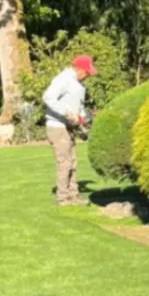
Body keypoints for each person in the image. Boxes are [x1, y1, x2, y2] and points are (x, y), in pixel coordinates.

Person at [43, 54, 98, 206]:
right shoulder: (64, 79)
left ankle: (74, 195)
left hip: (69, 127)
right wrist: (67, 113)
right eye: (87, 73)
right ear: (80, 70)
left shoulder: (79, 86)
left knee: (73, 162)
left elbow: (78, 108)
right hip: (58, 126)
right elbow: (48, 97)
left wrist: (82, 120)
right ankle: (62, 198)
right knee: (64, 163)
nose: (88, 76)